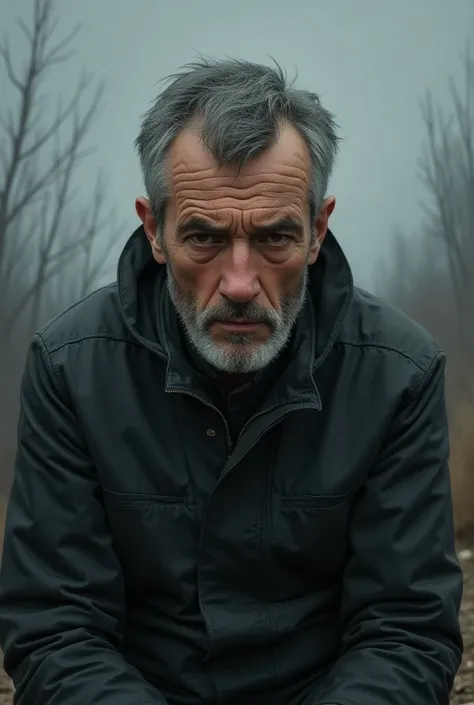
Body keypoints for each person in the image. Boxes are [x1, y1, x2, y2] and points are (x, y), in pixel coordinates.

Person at [0, 57, 463, 705]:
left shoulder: (397, 374)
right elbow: (56, 626)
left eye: (274, 238)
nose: (241, 283)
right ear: (154, 228)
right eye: (204, 238)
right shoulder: (71, 368)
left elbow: (405, 629)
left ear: (317, 230)